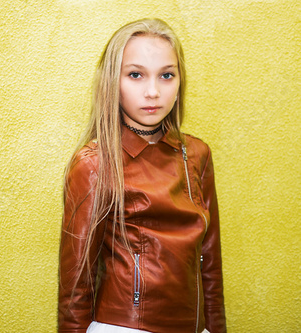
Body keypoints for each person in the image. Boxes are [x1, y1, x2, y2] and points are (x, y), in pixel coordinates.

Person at [58, 18, 226, 333]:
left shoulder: (198, 154)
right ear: (113, 82)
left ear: (179, 82)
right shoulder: (93, 163)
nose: (153, 91)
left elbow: (210, 265)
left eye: (166, 75)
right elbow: (76, 283)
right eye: (136, 75)